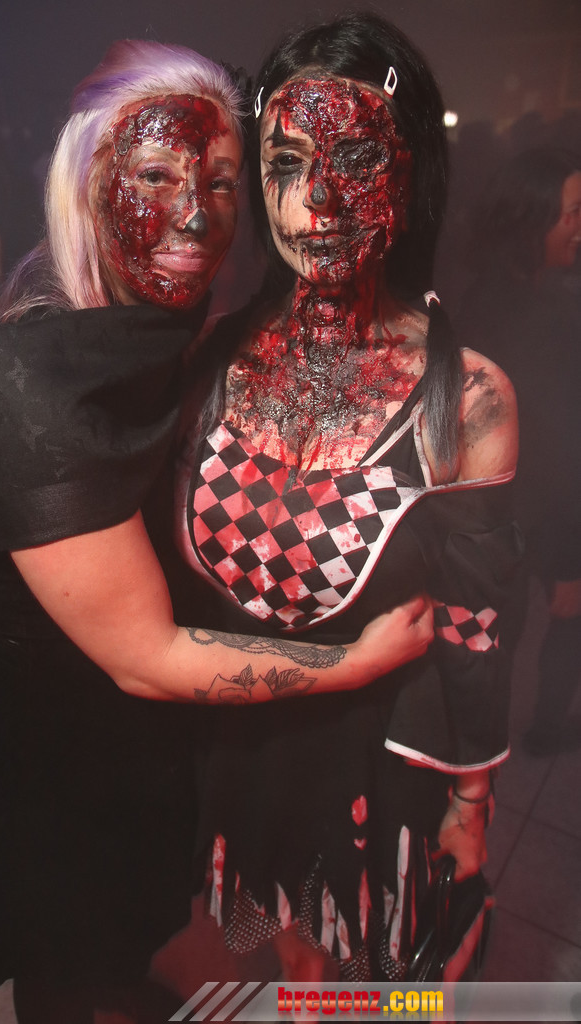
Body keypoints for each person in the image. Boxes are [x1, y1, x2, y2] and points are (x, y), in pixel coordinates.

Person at [0, 39, 433, 1024]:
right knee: (88, 984)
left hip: (135, 761)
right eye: (155, 176)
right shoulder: (29, 389)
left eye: (221, 181)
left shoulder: (139, 314)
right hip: (54, 786)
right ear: (83, 181)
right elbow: (146, 657)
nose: (196, 214)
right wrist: (354, 663)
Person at [173, 13, 520, 982]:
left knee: (376, 976)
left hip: (377, 771)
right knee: (275, 957)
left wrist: (470, 803)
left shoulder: (467, 397)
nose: (315, 200)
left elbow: (477, 626)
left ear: (410, 177)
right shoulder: (211, 356)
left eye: (356, 159)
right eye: (285, 164)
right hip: (238, 751)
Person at [459, 147, 581, 756]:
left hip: (480, 522)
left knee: (484, 651)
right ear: (533, 219)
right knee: (511, 644)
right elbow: (559, 447)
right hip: (516, 525)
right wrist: (568, 562)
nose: (579, 227)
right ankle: (527, 741)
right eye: (572, 213)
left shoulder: (474, 293)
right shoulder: (546, 318)